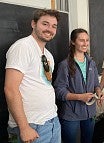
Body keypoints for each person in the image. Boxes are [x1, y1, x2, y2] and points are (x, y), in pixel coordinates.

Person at [4, 9, 61, 143]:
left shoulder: (48, 55)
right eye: (45, 24)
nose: (50, 29)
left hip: (51, 121)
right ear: (33, 24)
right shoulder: (22, 47)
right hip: (31, 126)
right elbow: (10, 89)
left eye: (54, 26)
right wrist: (24, 128)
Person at [53, 28, 104, 143]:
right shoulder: (64, 65)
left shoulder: (91, 62)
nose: (85, 43)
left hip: (90, 113)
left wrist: (99, 92)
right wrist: (80, 97)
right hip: (71, 114)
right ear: (73, 42)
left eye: (87, 40)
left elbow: (96, 84)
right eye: (81, 40)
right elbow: (59, 91)